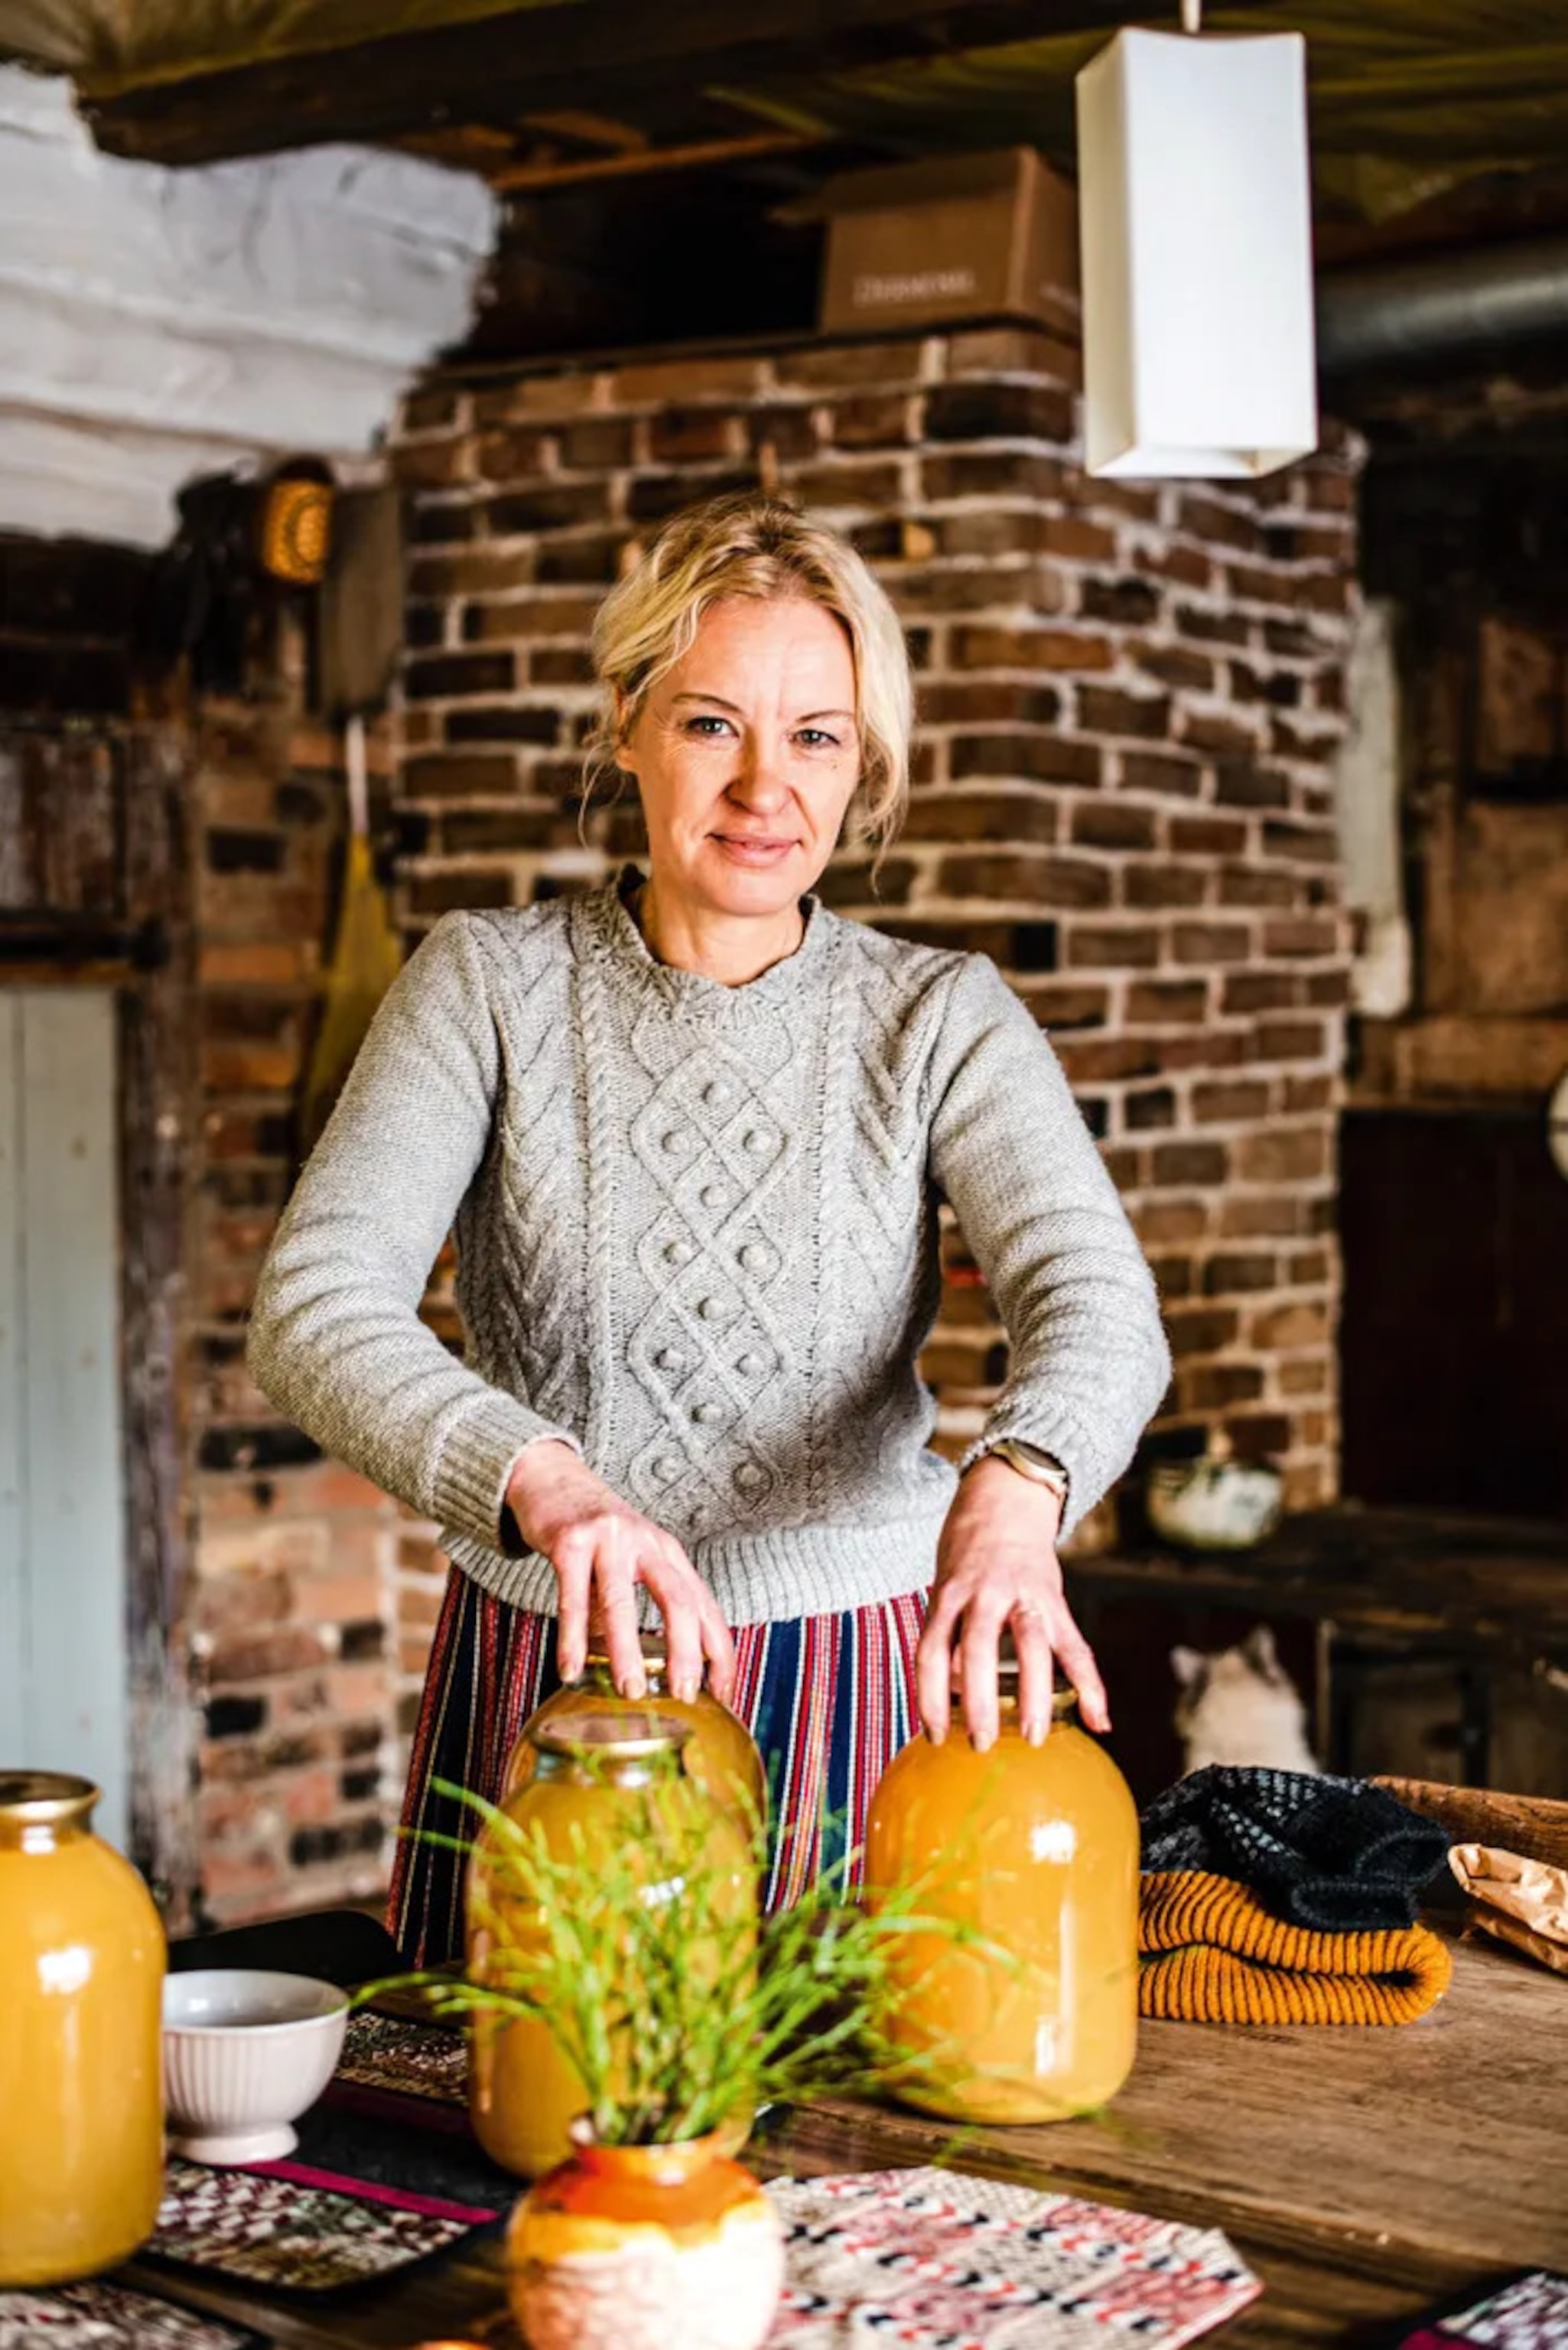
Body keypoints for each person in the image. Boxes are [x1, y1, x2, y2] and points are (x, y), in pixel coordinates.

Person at [248, 491, 1171, 1962]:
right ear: (624, 726)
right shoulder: (488, 985)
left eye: (815, 736)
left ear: (860, 763)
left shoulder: (938, 1018)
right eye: (710, 725)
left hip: (863, 1679)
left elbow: (1095, 1299)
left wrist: (1016, 1489)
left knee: (852, 2151)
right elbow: (312, 1309)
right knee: (521, 2131)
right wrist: (549, 1485)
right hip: (558, 1670)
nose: (764, 787)